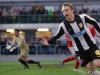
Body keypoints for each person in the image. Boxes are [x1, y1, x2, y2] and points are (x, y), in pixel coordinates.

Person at [43, 3, 100, 75]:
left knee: (98, 64)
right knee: (90, 71)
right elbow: (56, 36)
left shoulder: (82, 17)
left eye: (67, 10)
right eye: (63, 11)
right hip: (80, 50)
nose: (65, 12)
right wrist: (48, 41)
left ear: (72, 10)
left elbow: (93, 22)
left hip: (92, 45)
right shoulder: (63, 26)